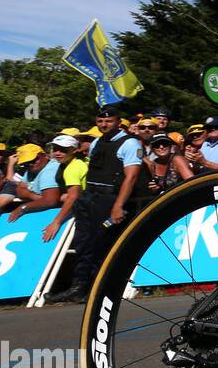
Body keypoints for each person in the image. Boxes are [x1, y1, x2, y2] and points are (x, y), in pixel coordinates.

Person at [46, 108, 145, 304]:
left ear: (118, 122)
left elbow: (131, 177)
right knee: (83, 244)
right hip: (89, 198)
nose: (103, 124)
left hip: (109, 201)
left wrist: (118, 206)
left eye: (108, 121)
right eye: (100, 121)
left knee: (102, 245)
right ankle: (78, 288)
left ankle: (99, 290)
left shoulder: (129, 143)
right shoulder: (98, 142)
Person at [5, 143, 63, 221]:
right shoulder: (32, 170)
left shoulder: (50, 170)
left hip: (55, 214)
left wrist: (23, 206)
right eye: (25, 163)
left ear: (44, 155)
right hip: (40, 213)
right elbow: (19, 190)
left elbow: (50, 201)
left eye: (33, 160)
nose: (30, 164)